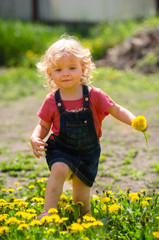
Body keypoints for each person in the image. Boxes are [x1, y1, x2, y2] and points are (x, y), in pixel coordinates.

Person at [30, 36, 144, 219]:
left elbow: (116, 109)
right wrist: (35, 137)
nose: (65, 73)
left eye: (72, 68)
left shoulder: (94, 95)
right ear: (50, 73)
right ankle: (48, 213)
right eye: (58, 69)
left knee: (81, 200)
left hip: (87, 153)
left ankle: (84, 223)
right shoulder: (52, 100)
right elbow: (43, 125)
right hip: (61, 149)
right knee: (59, 169)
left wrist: (133, 121)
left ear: (83, 68)